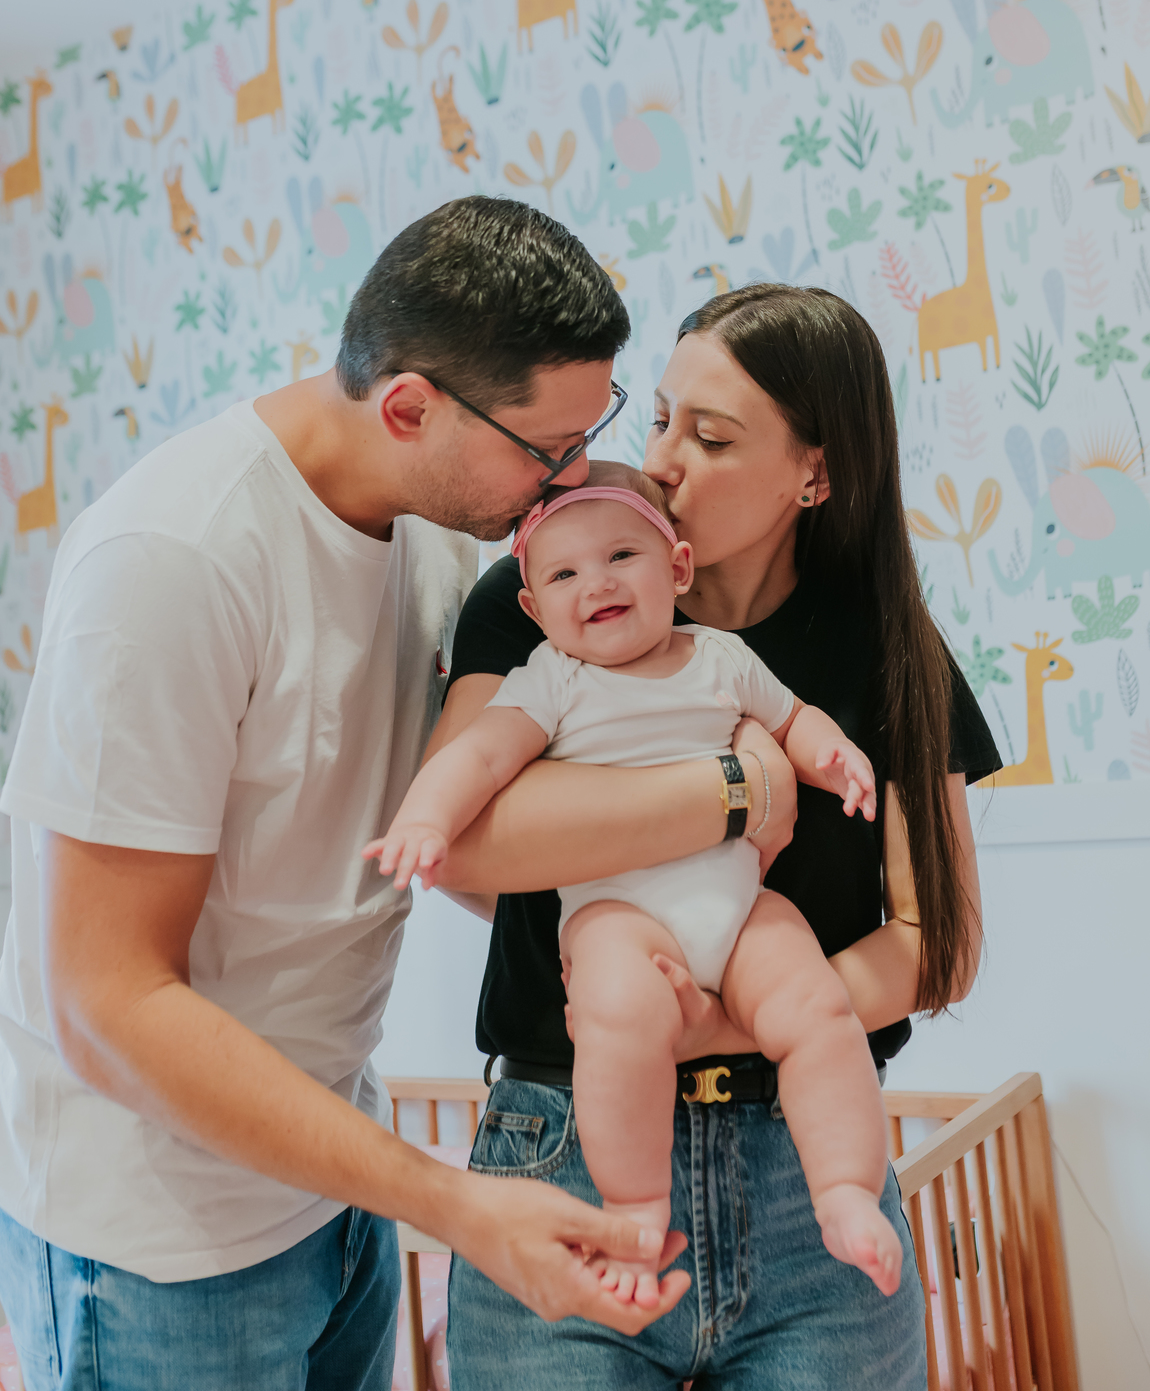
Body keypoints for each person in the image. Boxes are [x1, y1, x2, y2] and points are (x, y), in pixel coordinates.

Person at [0, 198, 694, 1391]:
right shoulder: (172, 562)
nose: (573, 478)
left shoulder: (436, 530)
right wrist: (451, 1203)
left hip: (330, 1181)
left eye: (592, 433)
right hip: (160, 1248)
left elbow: (440, 833)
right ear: (410, 407)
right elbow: (106, 1001)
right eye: (548, 450)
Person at [433, 284, 1002, 1390]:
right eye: (659, 420)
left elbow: (938, 944)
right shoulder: (546, 593)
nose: (661, 463)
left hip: (811, 1163)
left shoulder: (886, 644)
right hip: (564, 1153)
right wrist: (736, 791)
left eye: (712, 436)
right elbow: (465, 842)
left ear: (814, 474)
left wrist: (717, 1022)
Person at [368, 467, 902, 1308]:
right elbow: (478, 757)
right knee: (619, 1019)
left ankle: (843, 1190)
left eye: (622, 555)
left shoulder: (721, 657)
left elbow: (794, 719)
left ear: (678, 567)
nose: (599, 582)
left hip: (741, 906)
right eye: (565, 572)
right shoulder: (551, 678)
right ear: (534, 606)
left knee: (819, 1009)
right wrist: (427, 820)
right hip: (619, 913)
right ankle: (635, 1208)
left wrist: (832, 756)